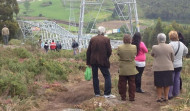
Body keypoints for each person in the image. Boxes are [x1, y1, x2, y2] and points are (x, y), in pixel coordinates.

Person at [86, 26, 115, 98]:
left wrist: (88, 62)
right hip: (103, 61)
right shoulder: (106, 39)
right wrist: (107, 57)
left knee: (95, 77)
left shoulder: (92, 39)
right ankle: (107, 94)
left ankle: (97, 93)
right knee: (107, 76)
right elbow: (109, 51)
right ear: (103, 32)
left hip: (93, 61)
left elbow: (88, 51)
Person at [151, 33, 174, 102]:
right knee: (167, 83)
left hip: (158, 68)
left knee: (159, 84)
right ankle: (166, 97)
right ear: (165, 39)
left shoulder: (154, 47)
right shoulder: (170, 47)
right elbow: (173, 57)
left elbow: (152, 54)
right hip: (168, 67)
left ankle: (159, 97)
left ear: (158, 39)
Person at [168, 31, 188, 99]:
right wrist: (181, 56)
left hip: (172, 64)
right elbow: (186, 51)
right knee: (177, 79)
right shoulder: (181, 44)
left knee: (171, 79)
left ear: (170, 37)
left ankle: (169, 94)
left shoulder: (170, 45)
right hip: (179, 64)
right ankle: (176, 93)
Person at [117, 34, 137, 101]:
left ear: (123, 40)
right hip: (131, 67)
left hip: (123, 67)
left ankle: (123, 97)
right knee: (132, 83)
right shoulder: (134, 47)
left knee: (122, 83)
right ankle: (132, 97)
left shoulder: (120, 47)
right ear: (130, 40)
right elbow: (135, 54)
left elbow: (118, 54)